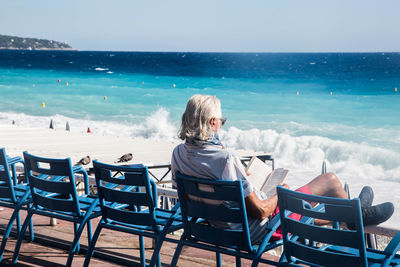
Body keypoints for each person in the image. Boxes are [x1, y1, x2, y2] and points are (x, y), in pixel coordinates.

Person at [171, 94, 394, 243]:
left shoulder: (179, 153)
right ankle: (356, 215)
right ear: (212, 123)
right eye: (222, 120)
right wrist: (279, 192)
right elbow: (260, 212)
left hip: (217, 227)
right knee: (330, 180)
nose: (222, 124)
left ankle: (354, 215)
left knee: (303, 205)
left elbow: (191, 195)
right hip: (252, 230)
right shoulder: (224, 158)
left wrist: (240, 179)